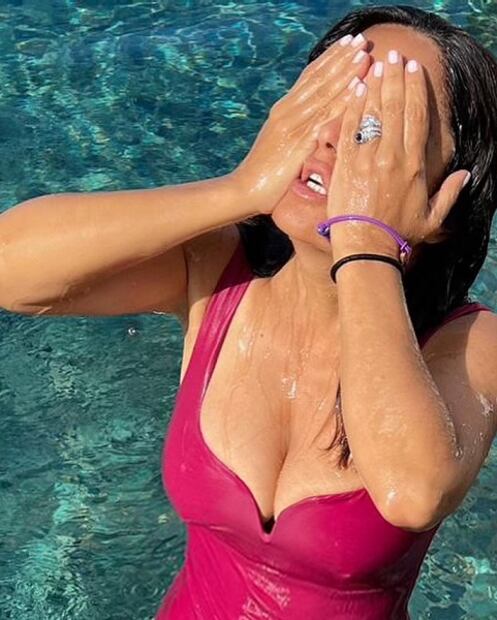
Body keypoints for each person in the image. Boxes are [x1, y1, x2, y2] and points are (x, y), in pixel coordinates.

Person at [1, 5, 496, 619]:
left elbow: (411, 490)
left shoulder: (469, 344)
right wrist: (240, 188)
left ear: (448, 195)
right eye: (327, 98)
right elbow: (14, 274)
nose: (331, 135)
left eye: (378, 127)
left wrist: (367, 237)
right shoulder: (218, 275)